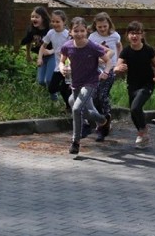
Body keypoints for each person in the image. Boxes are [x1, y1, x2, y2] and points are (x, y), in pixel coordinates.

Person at [60, 17, 113, 155]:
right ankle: (102, 120)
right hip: (75, 82)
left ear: (87, 31)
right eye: (76, 31)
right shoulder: (67, 46)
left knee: (77, 108)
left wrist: (106, 72)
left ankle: (75, 142)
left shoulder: (92, 46)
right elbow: (62, 61)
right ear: (70, 32)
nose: (79, 34)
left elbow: (108, 61)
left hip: (90, 82)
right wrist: (62, 69)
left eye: (82, 31)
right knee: (80, 107)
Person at [114, 21, 155, 149]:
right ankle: (142, 130)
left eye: (137, 33)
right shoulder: (126, 52)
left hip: (147, 84)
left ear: (142, 35)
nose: (135, 36)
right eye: (132, 33)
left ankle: (141, 131)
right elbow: (117, 65)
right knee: (134, 111)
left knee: (135, 107)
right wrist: (118, 68)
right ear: (127, 35)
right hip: (132, 84)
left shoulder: (148, 50)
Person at [88, 12, 121, 141]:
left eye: (104, 26)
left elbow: (118, 47)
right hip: (96, 69)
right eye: (99, 26)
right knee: (95, 96)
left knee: (103, 95)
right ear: (95, 26)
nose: (102, 29)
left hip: (110, 69)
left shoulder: (115, 36)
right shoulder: (92, 37)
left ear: (109, 25)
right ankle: (101, 119)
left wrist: (118, 61)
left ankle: (105, 121)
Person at [39, 9, 71, 107]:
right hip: (58, 65)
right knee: (52, 88)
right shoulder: (51, 33)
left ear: (64, 22)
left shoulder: (68, 34)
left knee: (65, 89)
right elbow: (43, 46)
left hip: (68, 65)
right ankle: (67, 101)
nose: (55, 24)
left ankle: (68, 106)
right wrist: (40, 58)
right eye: (53, 21)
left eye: (58, 22)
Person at [21, 6, 51, 84]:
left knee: (48, 80)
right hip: (41, 56)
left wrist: (51, 51)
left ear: (43, 18)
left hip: (52, 54)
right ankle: (48, 91)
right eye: (32, 17)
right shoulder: (32, 30)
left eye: (37, 17)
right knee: (40, 81)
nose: (34, 19)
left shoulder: (50, 30)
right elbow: (28, 41)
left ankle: (54, 93)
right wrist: (28, 54)